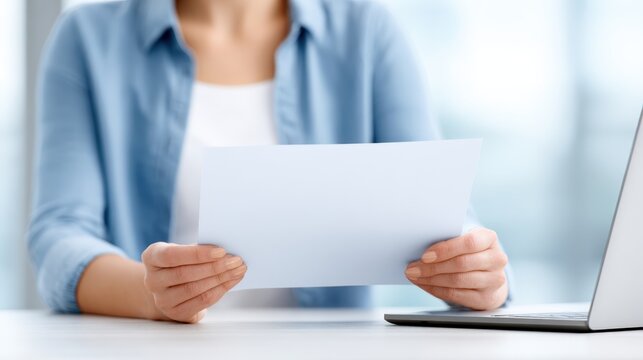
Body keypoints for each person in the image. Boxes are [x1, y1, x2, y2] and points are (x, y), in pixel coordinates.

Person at [29, 0, 510, 324]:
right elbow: (59, 237)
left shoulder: (366, 28)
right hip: (158, 348)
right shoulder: (87, 37)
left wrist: (478, 273)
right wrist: (150, 293)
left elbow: (436, 206)